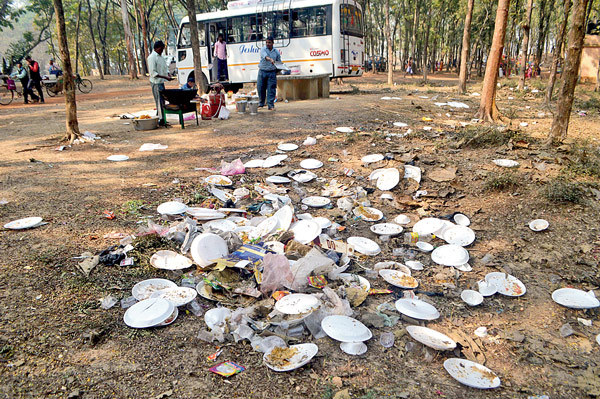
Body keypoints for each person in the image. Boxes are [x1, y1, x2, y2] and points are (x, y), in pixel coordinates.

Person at [147, 40, 172, 126]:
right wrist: (165, 77)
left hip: (161, 82)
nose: (162, 51)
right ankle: (161, 119)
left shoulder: (161, 57)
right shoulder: (152, 58)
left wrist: (168, 74)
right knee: (158, 101)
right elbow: (153, 73)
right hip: (156, 82)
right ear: (156, 48)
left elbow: (164, 68)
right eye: (161, 49)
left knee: (162, 101)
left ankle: (162, 118)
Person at [257, 37, 280, 111]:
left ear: (273, 43)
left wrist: (280, 68)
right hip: (262, 71)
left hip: (272, 72)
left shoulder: (276, 52)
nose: (268, 44)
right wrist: (270, 59)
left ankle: (271, 105)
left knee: (271, 89)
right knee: (260, 88)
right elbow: (265, 56)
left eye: (269, 42)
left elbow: (279, 62)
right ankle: (261, 104)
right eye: (266, 42)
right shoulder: (263, 49)